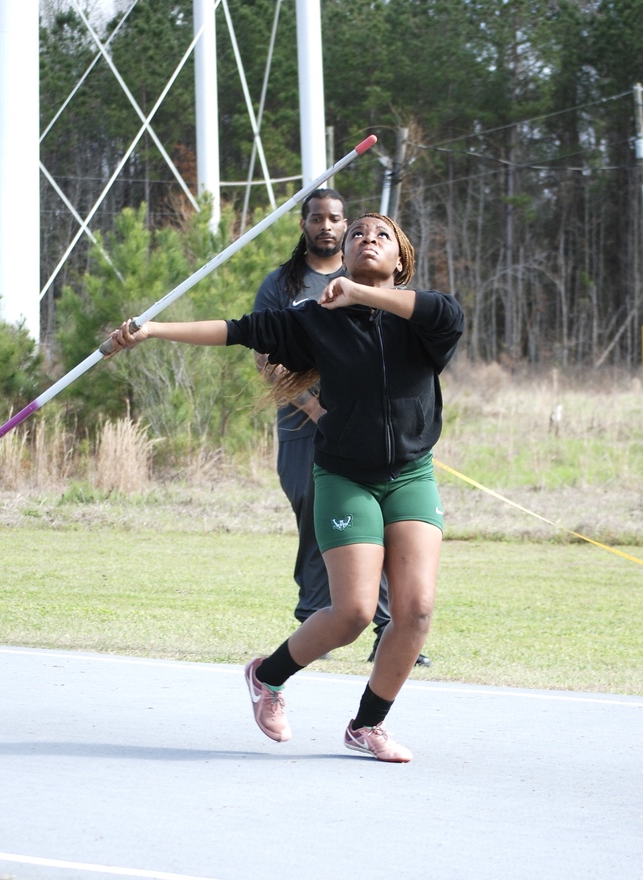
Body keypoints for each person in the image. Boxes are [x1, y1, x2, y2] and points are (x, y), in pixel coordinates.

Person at [107, 213, 464, 762]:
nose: (367, 239)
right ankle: (266, 678)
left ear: (400, 259)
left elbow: (444, 311)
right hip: (345, 476)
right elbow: (235, 330)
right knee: (353, 614)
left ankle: (366, 726)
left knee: (415, 611)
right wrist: (152, 330)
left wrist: (361, 297)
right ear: (342, 257)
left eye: (381, 235)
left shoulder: (425, 319)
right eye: (357, 236)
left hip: (411, 474)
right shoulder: (313, 319)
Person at [253, 188, 431, 667]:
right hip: (302, 426)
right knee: (317, 519)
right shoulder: (283, 284)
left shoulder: (370, 277)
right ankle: (317, 617)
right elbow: (264, 353)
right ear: (305, 225)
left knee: (385, 525)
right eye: (317, 218)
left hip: (366, 430)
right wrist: (315, 410)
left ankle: (389, 628)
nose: (327, 226)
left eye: (336, 218)